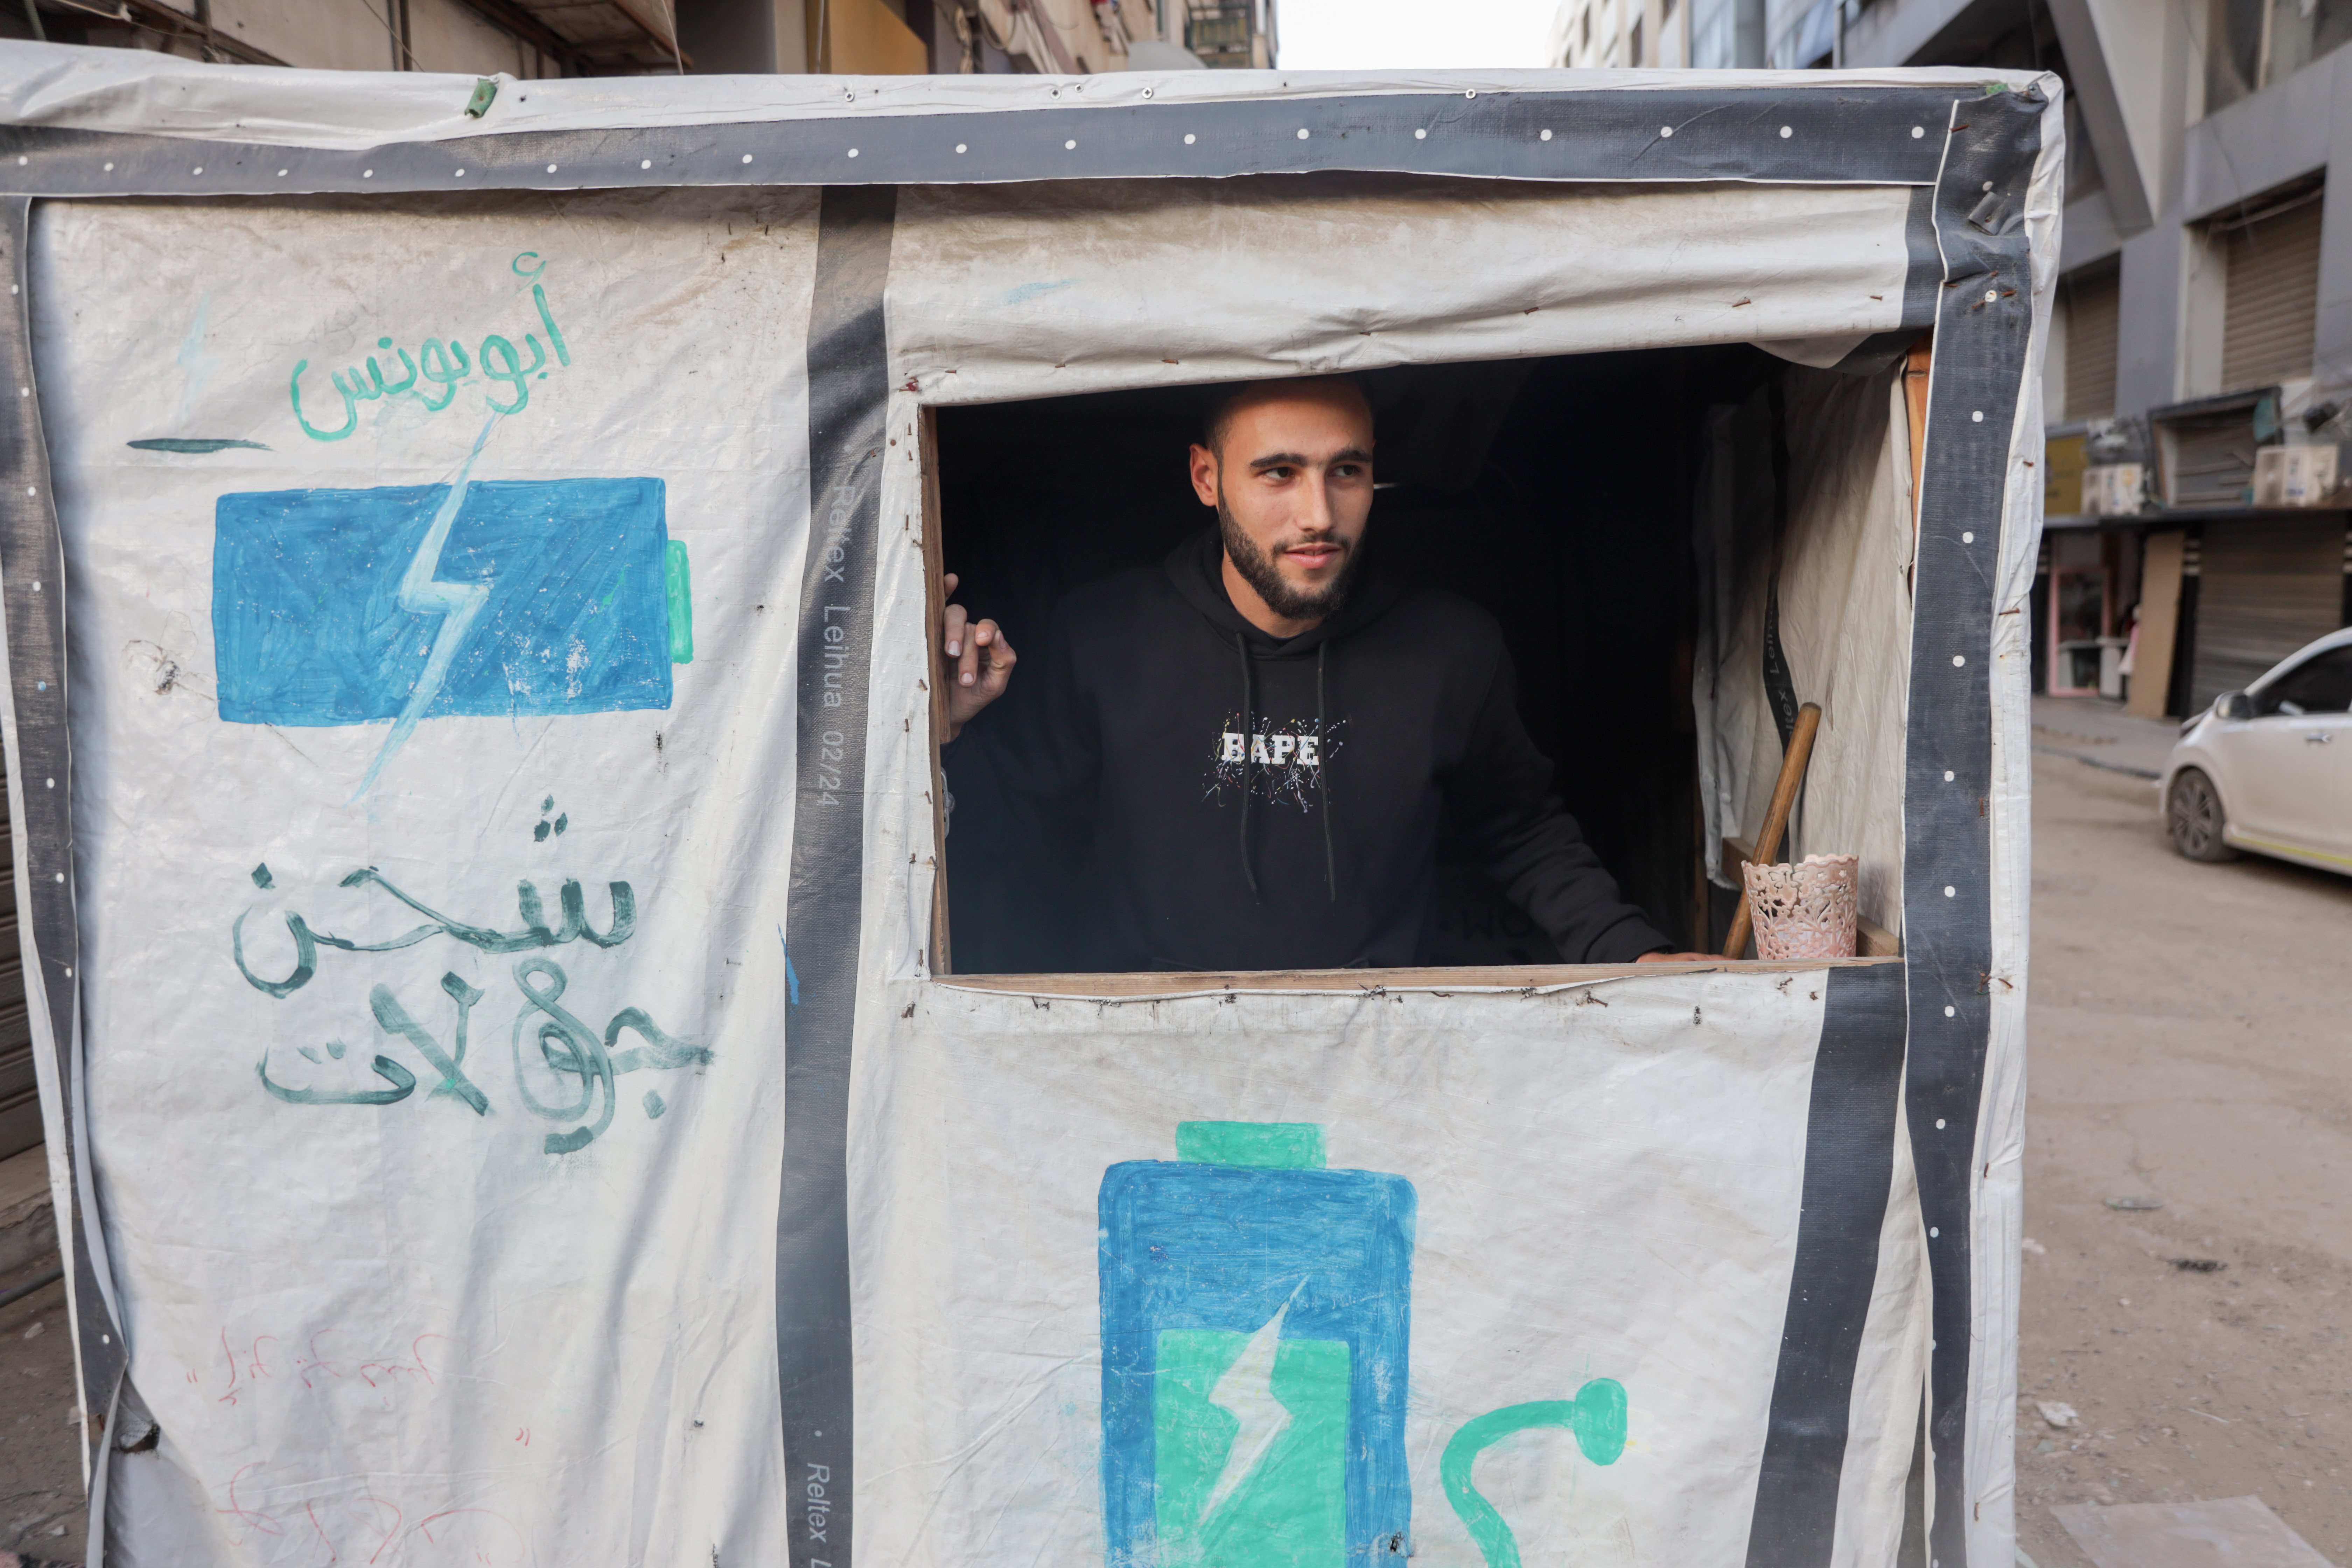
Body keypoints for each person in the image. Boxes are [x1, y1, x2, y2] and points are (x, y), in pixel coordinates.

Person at [939, 375, 1709, 972]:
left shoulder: (1452, 647)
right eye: (1278, 473)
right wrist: (946, 733)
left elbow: (1522, 827)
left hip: (1370, 1050)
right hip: (1146, 1054)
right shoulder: (1102, 634)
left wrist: (1631, 951)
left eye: (1346, 469)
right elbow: (1003, 839)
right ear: (1207, 479)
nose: (1318, 513)